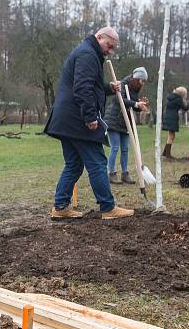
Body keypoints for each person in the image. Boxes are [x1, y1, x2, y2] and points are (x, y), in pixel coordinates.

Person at [44, 26, 134, 220]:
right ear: (99, 37)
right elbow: (82, 88)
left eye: (112, 48)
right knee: (98, 162)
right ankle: (108, 208)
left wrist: (109, 87)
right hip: (77, 120)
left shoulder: (87, 52)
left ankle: (60, 207)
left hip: (66, 120)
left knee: (74, 164)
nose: (110, 51)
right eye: (109, 46)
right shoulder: (87, 54)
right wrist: (90, 117)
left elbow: (90, 84)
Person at [105, 67, 148, 184]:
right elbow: (120, 100)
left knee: (125, 149)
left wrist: (140, 106)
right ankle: (111, 173)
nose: (143, 83)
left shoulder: (135, 88)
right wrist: (136, 103)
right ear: (137, 78)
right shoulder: (123, 84)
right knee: (115, 147)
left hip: (126, 122)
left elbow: (132, 105)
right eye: (142, 80)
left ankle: (125, 173)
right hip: (114, 119)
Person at [162, 86, 189, 159]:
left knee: (170, 135)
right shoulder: (178, 99)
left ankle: (165, 153)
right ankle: (167, 154)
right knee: (171, 136)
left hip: (167, 117)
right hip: (172, 118)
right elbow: (185, 108)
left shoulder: (170, 98)